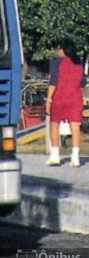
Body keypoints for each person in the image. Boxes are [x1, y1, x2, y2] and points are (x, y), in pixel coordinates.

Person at [45, 39, 85, 167]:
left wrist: (49, 99)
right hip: (75, 97)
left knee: (54, 125)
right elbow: (82, 83)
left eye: (58, 48)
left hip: (60, 97)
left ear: (63, 49)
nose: (57, 51)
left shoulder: (56, 63)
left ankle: (55, 155)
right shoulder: (79, 64)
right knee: (75, 127)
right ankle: (75, 157)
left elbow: (54, 81)